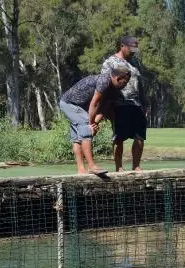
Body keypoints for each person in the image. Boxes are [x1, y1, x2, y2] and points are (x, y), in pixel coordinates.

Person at [59, 66, 131, 175]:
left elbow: (103, 108)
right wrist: (90, 124)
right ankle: (92, 166)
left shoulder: (115, 89)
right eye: (125, 82)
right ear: (117, 78)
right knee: (85, 128)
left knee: (78, 137)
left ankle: (81, 170)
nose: (125, 85)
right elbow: (95, 103)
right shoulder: (104, 81)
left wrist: (95, 123)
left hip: (82, 108)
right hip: (70, 103)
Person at [101, 36, 149, 172]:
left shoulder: (135, 63)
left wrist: (145, 104)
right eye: (131, 48)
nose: (133, 52)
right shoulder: (110, 62)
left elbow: (141, 84)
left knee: (140, 137)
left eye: (135, 49)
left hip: (137, 104)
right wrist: (107, 107)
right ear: (122, 46)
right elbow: (104, 84)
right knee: (119, 137)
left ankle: (136, 166)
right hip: (119, 104)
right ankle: (119, 167)